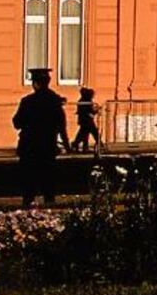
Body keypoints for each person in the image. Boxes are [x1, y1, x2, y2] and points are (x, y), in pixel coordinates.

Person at [13, 68, 69, 206]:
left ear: (36, 84)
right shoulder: (55, 101)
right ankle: (49, 211)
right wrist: (67, 146)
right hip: (48, 146)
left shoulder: (28, 101)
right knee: (48, 182)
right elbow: (62, 126)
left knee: (28, 183)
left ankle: (28, 208)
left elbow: (17, 122)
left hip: (29, 147)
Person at [71, 87, 101, 153]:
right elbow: (88, 111)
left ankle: (79, 145)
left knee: (84, 134)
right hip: (87, 121)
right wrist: (96, 110)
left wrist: (94, 111)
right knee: (93, 133)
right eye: (92, 94)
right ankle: (99, 145)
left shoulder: (83, 100)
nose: (93, 96)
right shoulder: (86, 101)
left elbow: (87, 111)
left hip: (85, 120)